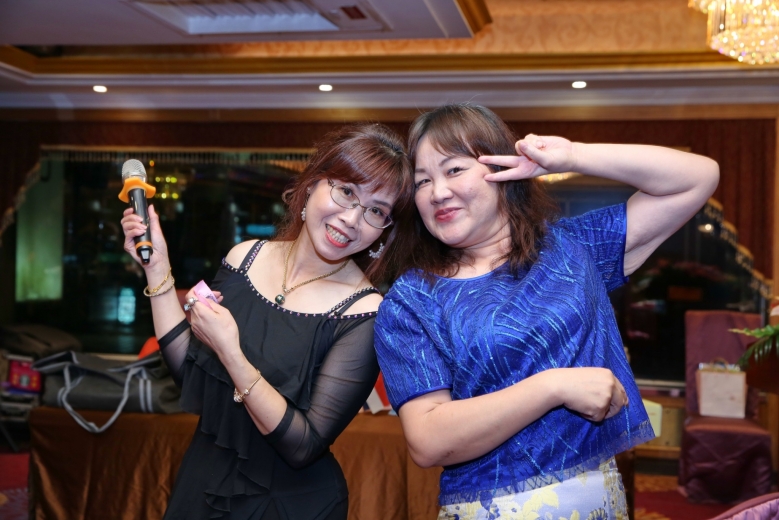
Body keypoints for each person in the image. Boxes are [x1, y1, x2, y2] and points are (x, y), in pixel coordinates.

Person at [374, 104, 720, 519]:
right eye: (422, 181)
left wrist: (573, 156)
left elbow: (698, 177)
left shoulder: (574, 249)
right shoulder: (412, 300)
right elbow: (427, 440)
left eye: (454, 170)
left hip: (598, 501)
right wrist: (552, 387)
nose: (438, 192)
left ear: (501, 170)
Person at [120, 123, 414, 520]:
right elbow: (192, 378)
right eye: (346, 191)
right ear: (312, 185)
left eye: (376, 211)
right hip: (203, 480)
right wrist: (157, 269)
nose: (351, 218)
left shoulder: (364, 312)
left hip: (288, 504)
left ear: (384, 231)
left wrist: (231, 352)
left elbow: (304, 445)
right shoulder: (245, 257)